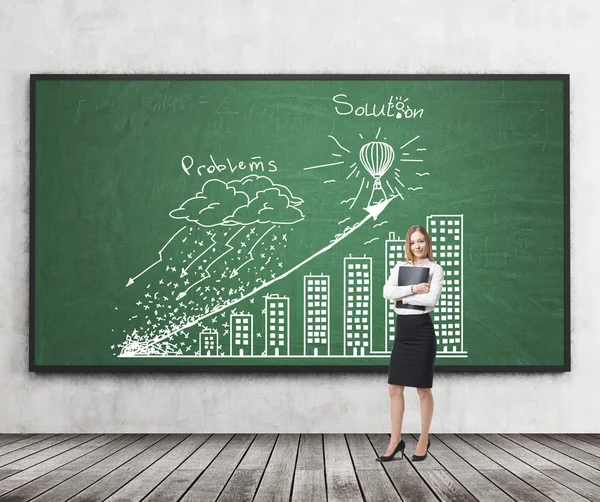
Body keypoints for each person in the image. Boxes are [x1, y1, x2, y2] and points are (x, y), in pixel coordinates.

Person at [376, 225, 444, 462]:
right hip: (403, 333)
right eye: (413, 242)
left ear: (427, 243)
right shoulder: (400, 267)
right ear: (409, 244)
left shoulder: (435, 269)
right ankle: (395, 441)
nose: (417, 246)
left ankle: (424, 439)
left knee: (423, 389)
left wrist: (401, 295)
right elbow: (386, 292)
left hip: (423, 333)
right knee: (394, 387)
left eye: (421, 241)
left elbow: (431, 299)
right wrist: (414, 289)